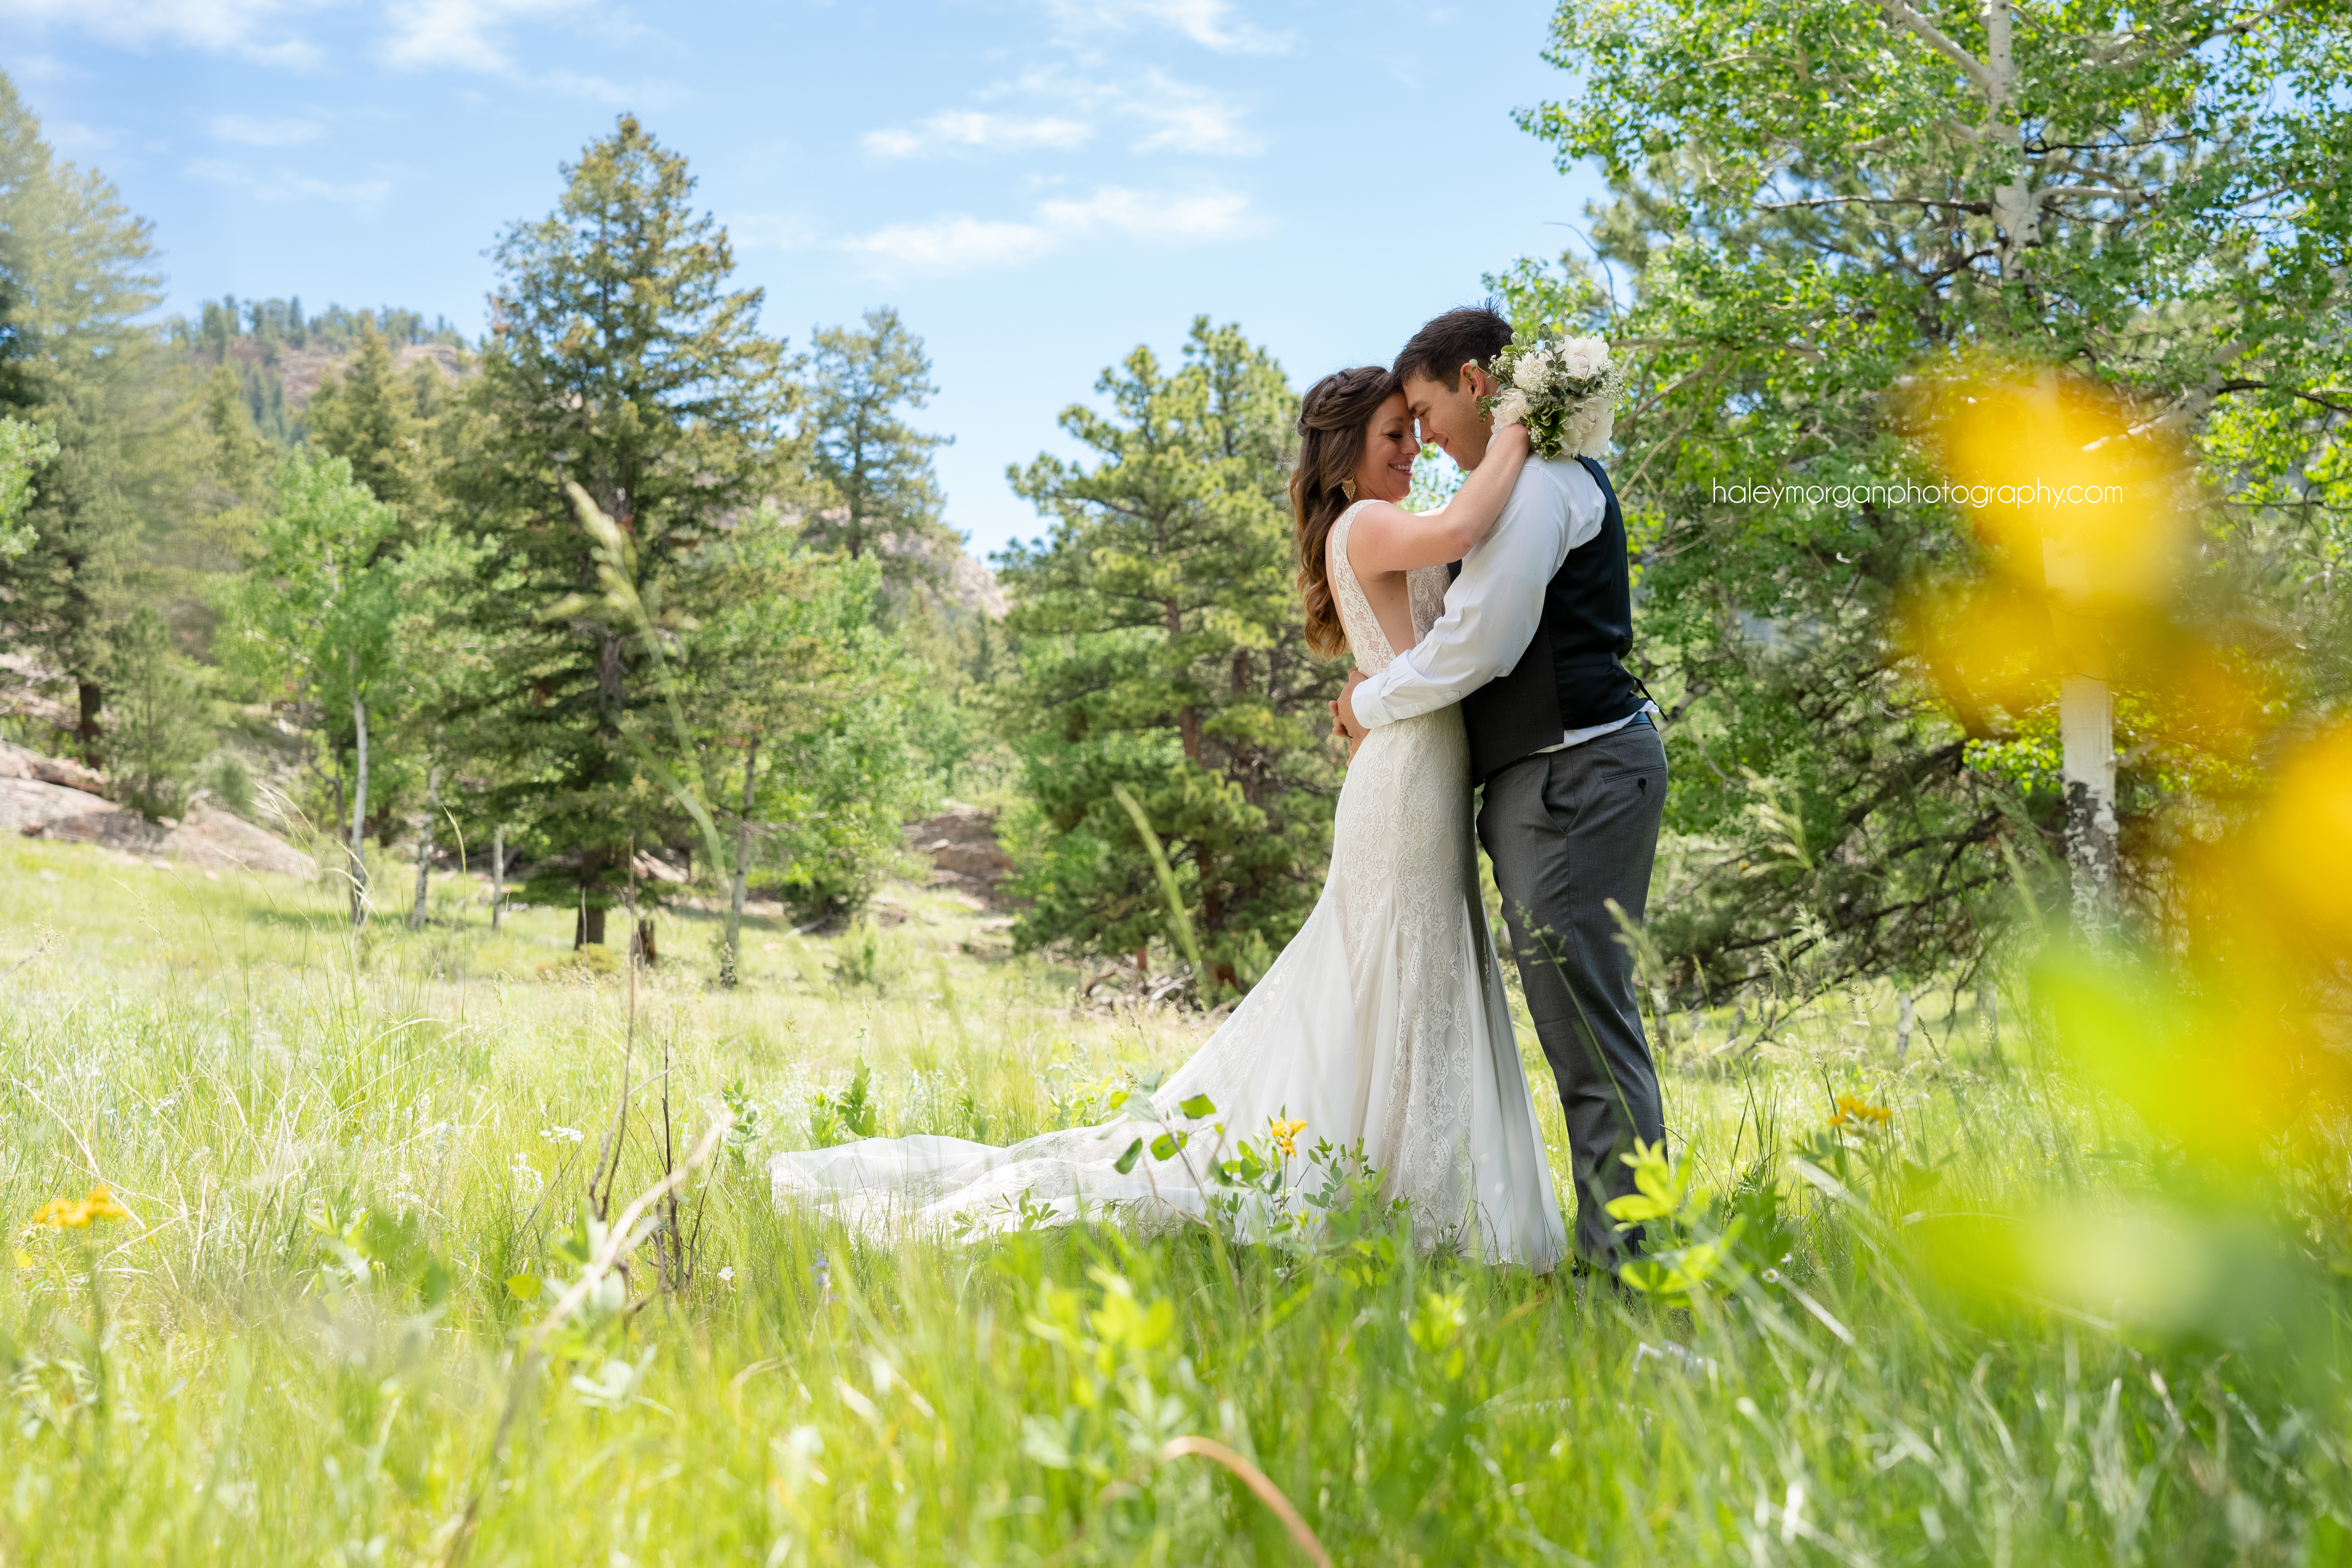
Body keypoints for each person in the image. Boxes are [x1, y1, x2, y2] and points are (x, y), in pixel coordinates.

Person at [773, 366, 1568, 1271]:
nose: (1412, 451)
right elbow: (1463, 528)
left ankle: (1408, 1188)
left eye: (1411, 433)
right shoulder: (1367, 520)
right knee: (1398, 969)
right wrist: (1520, 424)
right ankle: (1402, 1197)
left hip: (1413, 765)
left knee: (1409, 972)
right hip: (1407, 773)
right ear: (1344, 460)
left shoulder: (1375, 524)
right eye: (1393, 436)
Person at [1337, 304, 1668, 1268]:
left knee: (1590, 1035)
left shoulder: (1541, 488)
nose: (1425, 435)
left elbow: (1480, 641)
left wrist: (1372, 704)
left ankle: (1631, 1273)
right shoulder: (1516, 486)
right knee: (1584, 1029)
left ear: (1477, 383)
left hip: (1575, 773)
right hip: (1554, 776)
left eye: (1427, 410)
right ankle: (1622, 1254)